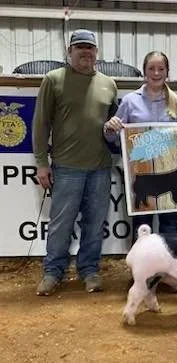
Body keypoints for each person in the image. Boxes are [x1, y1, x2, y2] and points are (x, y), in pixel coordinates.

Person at [32, 29, 118, 296]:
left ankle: (89, 270)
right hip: (67, 167)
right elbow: (40, 123)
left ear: (96, 53)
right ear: (69, 51)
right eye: (79, 47)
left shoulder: (109, 83)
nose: (85, 52)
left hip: (101, 167)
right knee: (61, 224)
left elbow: (114, 128)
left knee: (94, 223)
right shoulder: (53, 80)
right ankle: (52, 272)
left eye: (90, 48)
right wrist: (41, 163)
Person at [104, 51, 177, 239]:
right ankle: (143, 267)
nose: (156, 73)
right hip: (141, 174)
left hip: (169, 173)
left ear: (167, 72)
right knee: (142, 225)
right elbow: (112, 138)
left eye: (161, 69)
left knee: (170, 224)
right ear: (144, 72)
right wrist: (110, 128)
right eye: (152, 68)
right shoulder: (130, 101)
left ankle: (170, 267)